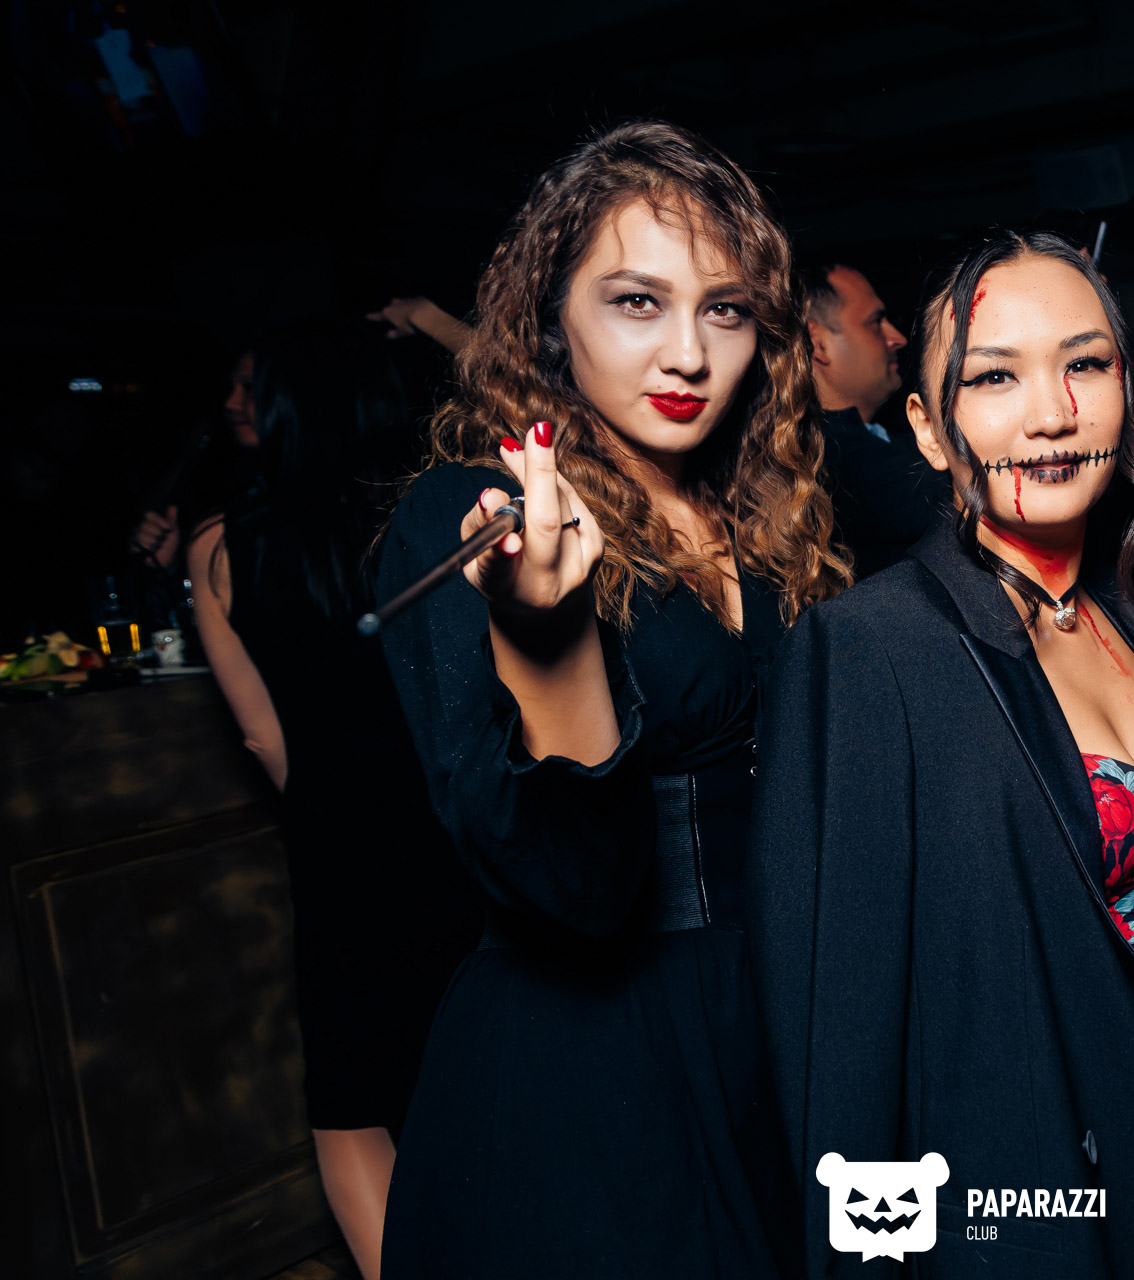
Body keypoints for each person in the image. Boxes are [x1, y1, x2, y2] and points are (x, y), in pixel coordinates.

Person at [749, 230, 1134, 1280]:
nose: (1051, 413)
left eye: (1085, 363)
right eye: (995, 376)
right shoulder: (871, 649)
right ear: (927, 429)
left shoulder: (1125, 615)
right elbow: (841, 1061)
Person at [375, 119, 847, 1279]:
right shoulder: (469, 519)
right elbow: (570, 891)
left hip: (781, 1034)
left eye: (726, 310)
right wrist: (548, 639)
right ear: (552, 320)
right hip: (591, 1076)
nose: (688, 353)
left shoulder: (769, 519)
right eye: (638, 301)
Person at [184, 328, 480, 1279]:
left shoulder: (223, 546)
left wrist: (330, 807)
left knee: (353, 1110)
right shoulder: (434, 521)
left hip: (338, 843)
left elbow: (265, 739)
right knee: (482, 1072)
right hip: (457, 829)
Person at [799, 261, 948, 576]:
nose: (898, 338)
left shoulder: (884, 439)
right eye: (875, 322)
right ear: (817, 343)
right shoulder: (829, 464)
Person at [129, 348, 264, 573]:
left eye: (249, 387)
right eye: (230, 388)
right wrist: (165, 568)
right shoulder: (213, 468)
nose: (230, 403)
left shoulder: (315, 495)